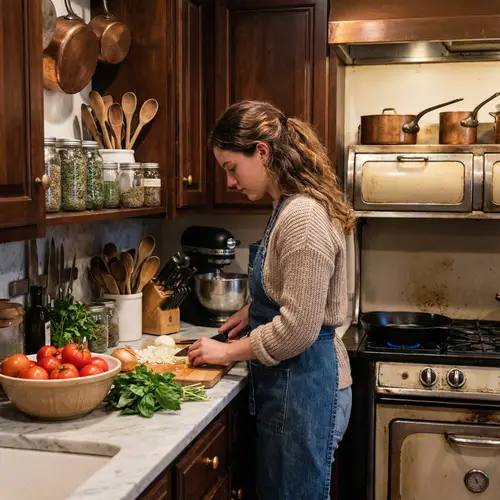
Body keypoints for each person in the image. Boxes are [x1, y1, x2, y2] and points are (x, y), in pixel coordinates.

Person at [187, 100, 354, 500]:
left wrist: (226, 354)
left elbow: (297, 329)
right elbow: (296, 289)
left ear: (261, 152)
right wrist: (253, 310)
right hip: (293, 385)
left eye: (231, 168)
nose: (229, 181)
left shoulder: (303, 216)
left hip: (306, 386)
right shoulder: (287, 205)